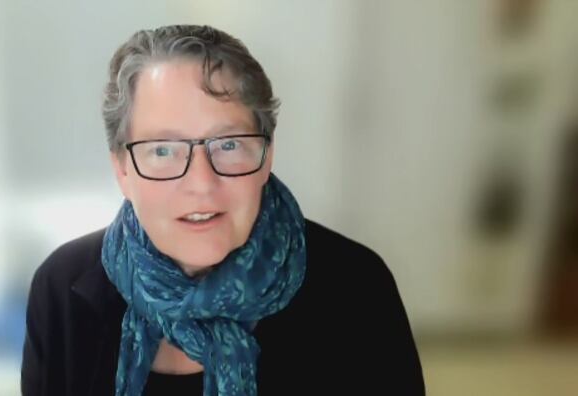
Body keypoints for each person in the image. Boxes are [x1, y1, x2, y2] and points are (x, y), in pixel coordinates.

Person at [21, 24, 425, 396]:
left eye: (228, 145)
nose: (201, 183)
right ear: (122, 169)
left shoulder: (356, 288)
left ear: (267, 156)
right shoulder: (62, 288)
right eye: (163, 149)